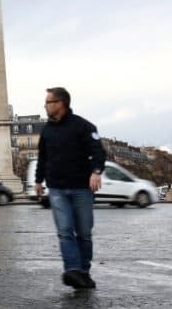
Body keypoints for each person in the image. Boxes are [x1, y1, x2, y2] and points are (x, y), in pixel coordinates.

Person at [34, 86, 106, 290]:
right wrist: (38, 181)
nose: (45, 106)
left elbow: (98, 152)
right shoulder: (46, 131)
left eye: (49, 102)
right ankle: (72, 270)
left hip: (82, 188)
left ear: (61, 104)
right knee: (65, 231)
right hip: (56, 189)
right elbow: (42, 158)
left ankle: (83, 272)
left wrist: (96, 171)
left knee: (84, 233)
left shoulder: (84, 126)